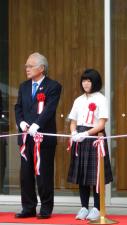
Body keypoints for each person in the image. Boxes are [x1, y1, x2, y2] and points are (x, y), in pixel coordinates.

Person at [14, 52, 62, 219]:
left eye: (30, 66)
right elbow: (18, 107)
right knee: (25, 175)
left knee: (44, 174)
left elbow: (49, 109)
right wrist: (21, 123)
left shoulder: (53, 86)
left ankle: (46, 208)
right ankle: (28, 207)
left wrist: (37, 124)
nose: (27, 68)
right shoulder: (24, 86)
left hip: (43, 138)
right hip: (26, 138)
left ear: (41, 68)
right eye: (26, 66)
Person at [67, 69, 113, 221]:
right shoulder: (78, 100)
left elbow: (101, 124)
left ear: (95, 82)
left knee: (96, 176)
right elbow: (73, 121)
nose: (86, 83)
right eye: (84, 80)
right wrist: (74, 133)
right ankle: (84, 207)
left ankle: (97, 207)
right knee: (82, 175)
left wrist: (86, 134)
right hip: (80, 137)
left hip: (94, 137)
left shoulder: (101, 99)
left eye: (89, 80)